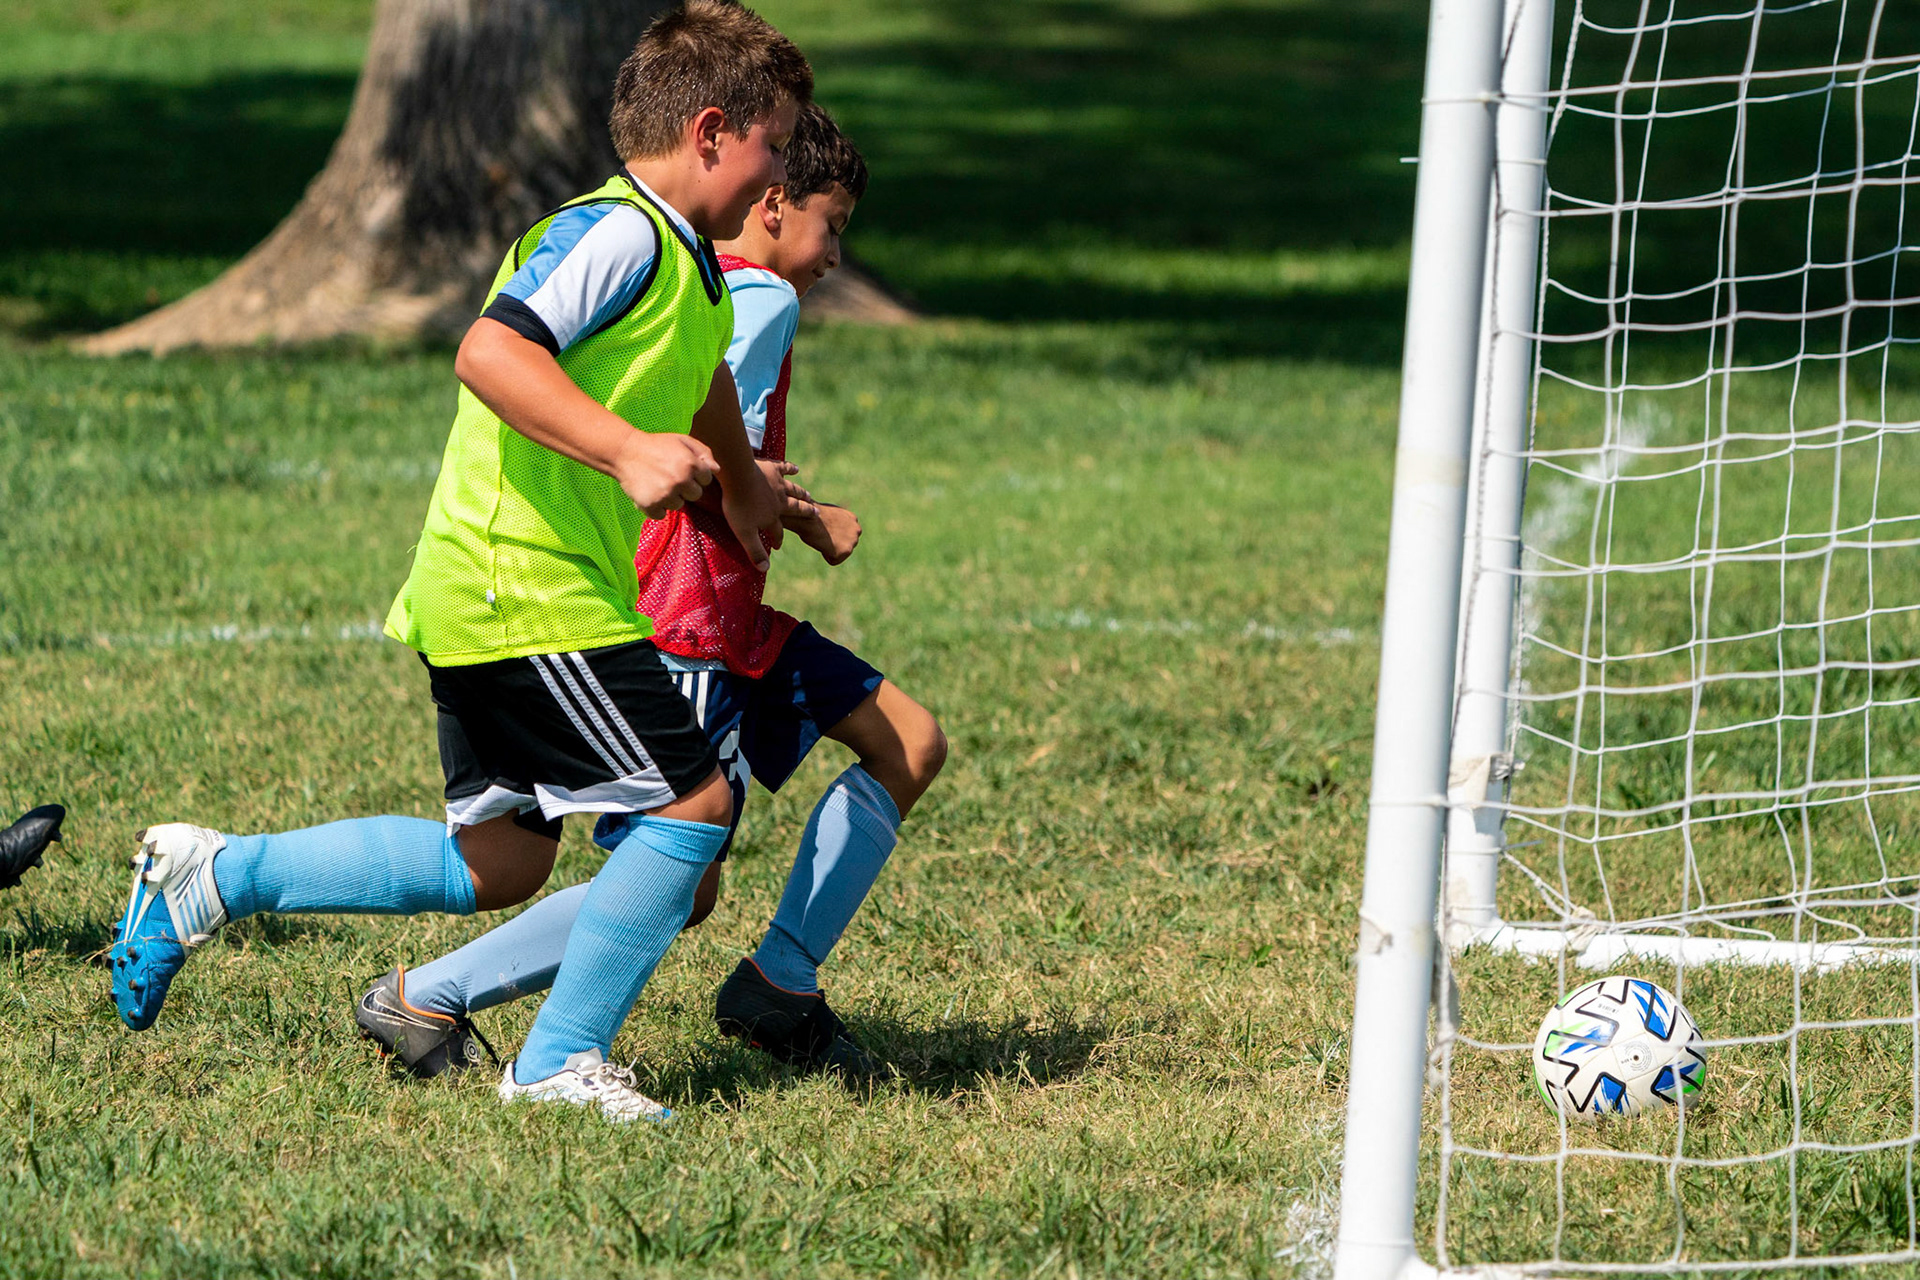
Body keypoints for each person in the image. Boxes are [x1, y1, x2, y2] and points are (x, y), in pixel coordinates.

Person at [105, 0, 815, 1125]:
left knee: (499, 860)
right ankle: (556, 1061)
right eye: (776, 141)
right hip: (521, 581)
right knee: (693, 805)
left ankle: (218, 874)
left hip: (509, 582)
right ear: (714, 130)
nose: (781, 168)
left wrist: (738, 481)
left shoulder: (690, 263)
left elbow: (702, 374)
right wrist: (627, 447)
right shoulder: (618, 232)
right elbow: (489, 350)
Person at [356, 103, 946, 1084]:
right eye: (830, 225)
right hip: (692, 616)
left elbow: (724, 459)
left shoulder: (712, 288)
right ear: (770, 203)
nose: (836, 255)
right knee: (684, 873)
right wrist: (787, 508)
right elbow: (707, 456)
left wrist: (778, 504)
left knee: (905, 741)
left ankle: (782, 980)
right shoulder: (754, 301)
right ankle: (438, 995)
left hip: (733, 618)